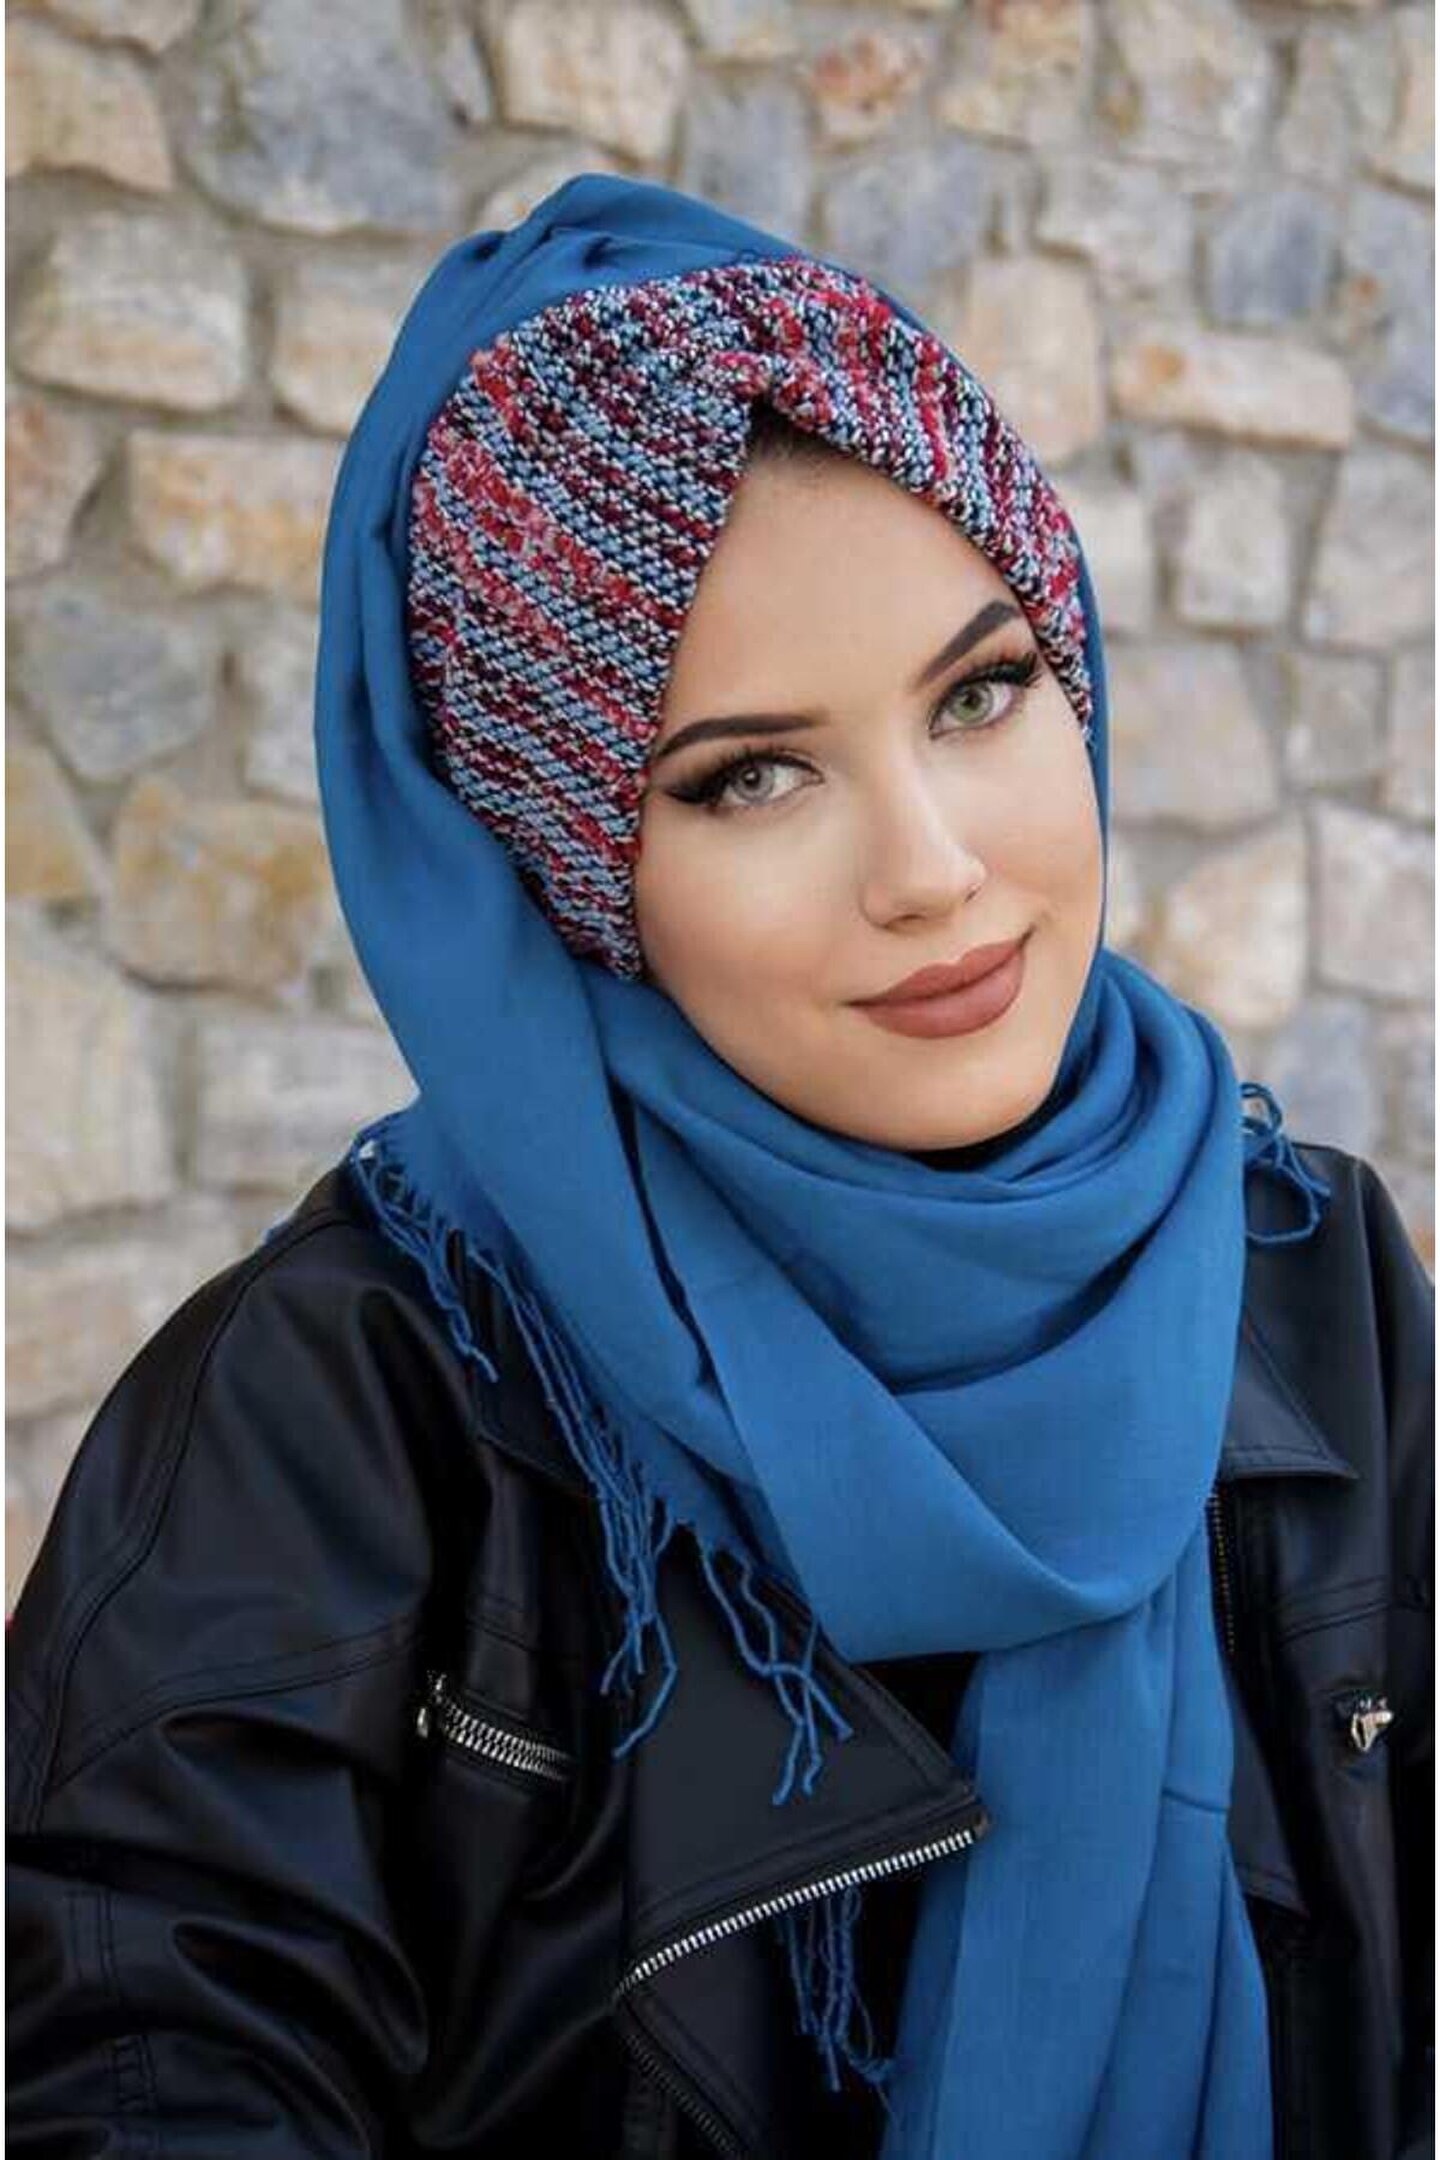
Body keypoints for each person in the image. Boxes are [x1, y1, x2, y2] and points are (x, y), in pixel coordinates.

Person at [7, 172, 1432, 2160]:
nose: (934, 867)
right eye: (751, 775)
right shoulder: (344, 1407)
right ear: (575, 877)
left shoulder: (1315, 1280)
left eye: (982, 691)